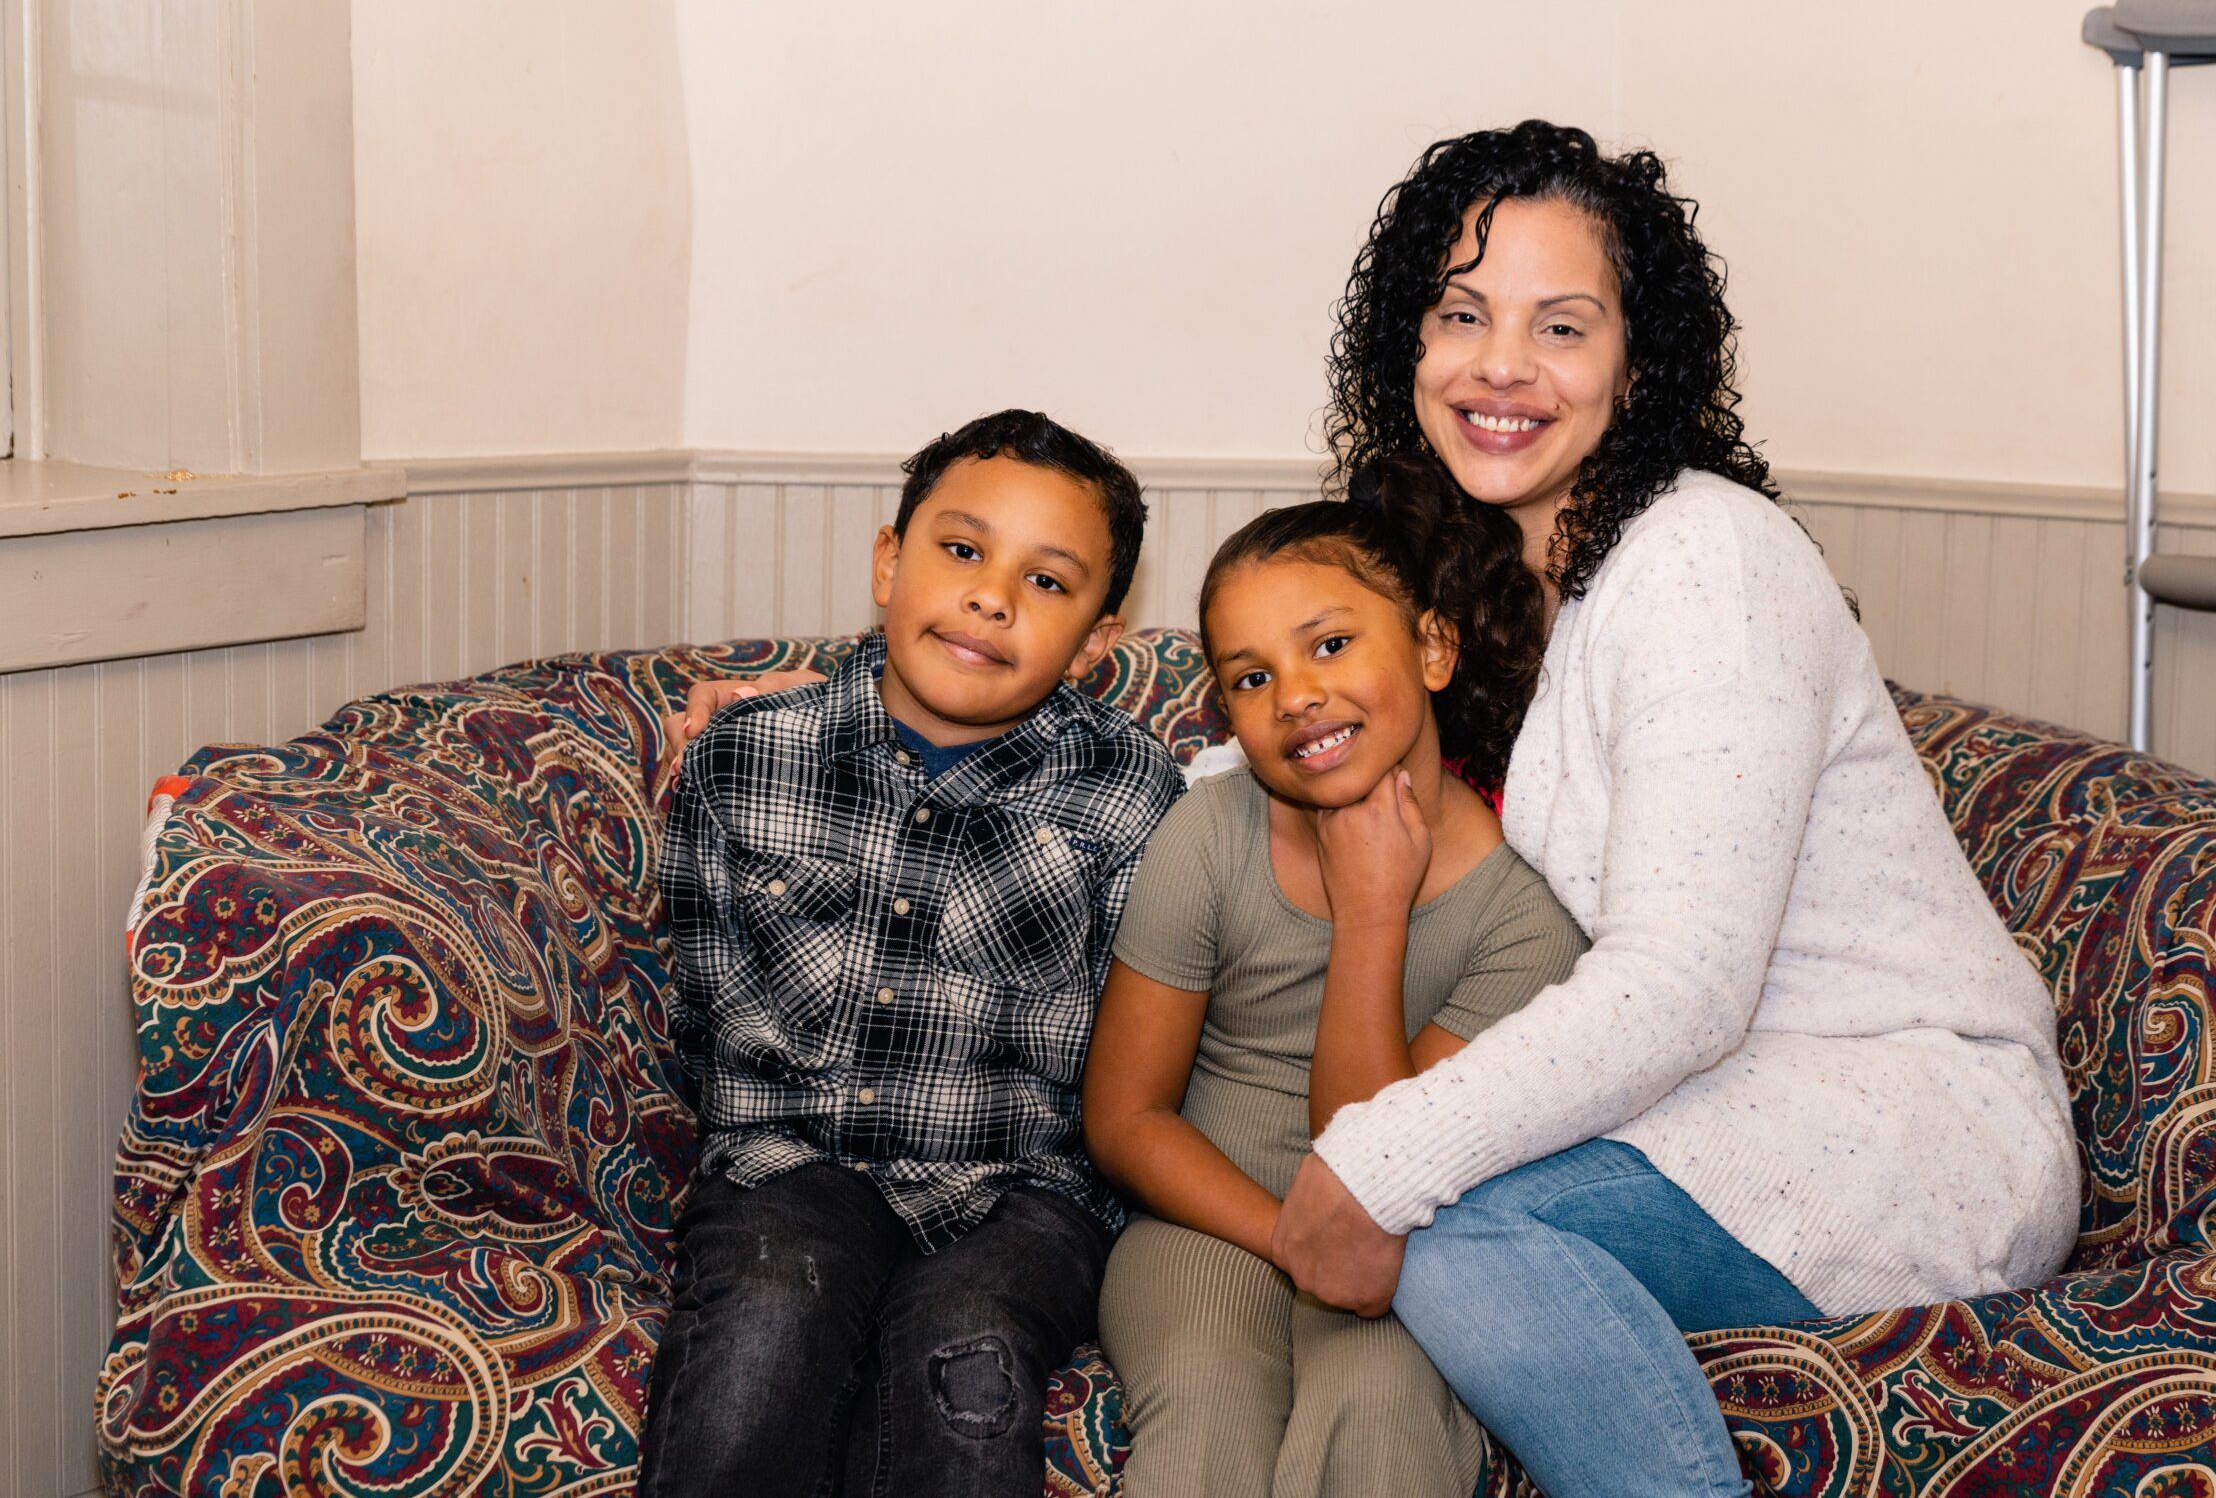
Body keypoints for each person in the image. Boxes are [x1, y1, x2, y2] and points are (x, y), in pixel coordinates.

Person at [1262, 120, 2083, 1498]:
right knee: (1436, 1208)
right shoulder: (1492, 570)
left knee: (1450, 1227)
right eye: (1461, 313)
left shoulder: (1706, 559)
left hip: (1906, 1113)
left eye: (1561, 326)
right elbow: (1314, 737)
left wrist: (1377, 1158)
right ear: (1409, 343)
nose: (1501, 366)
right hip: (1707, 1099)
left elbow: (1686, 983)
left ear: (1638, 368)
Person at [639, 408, 1184, 1498]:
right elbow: (702, 998)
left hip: (1023, 1187)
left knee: (965, 1359)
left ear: (1094, 643)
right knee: (764, 1330)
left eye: (1046, 581)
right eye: (962, 550)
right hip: (791, 1162)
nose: (990, 596)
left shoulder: (1130, 795)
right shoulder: (748, 758)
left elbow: (1141, 1041)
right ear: (890, 562)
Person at [1080, 465, 1586, 1498]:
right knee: (1208, 1394)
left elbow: (1377, 1157)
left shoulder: (1526, 923)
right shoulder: (1207, 837)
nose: (1296, 694)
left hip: (1405, 1243)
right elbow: (1126, 1117)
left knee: (1385, 1412)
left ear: (1433, 647)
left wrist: (1371, 916)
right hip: (1204, 1220)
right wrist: (1287, 1240)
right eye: (1251, 677)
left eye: (1329, 644)